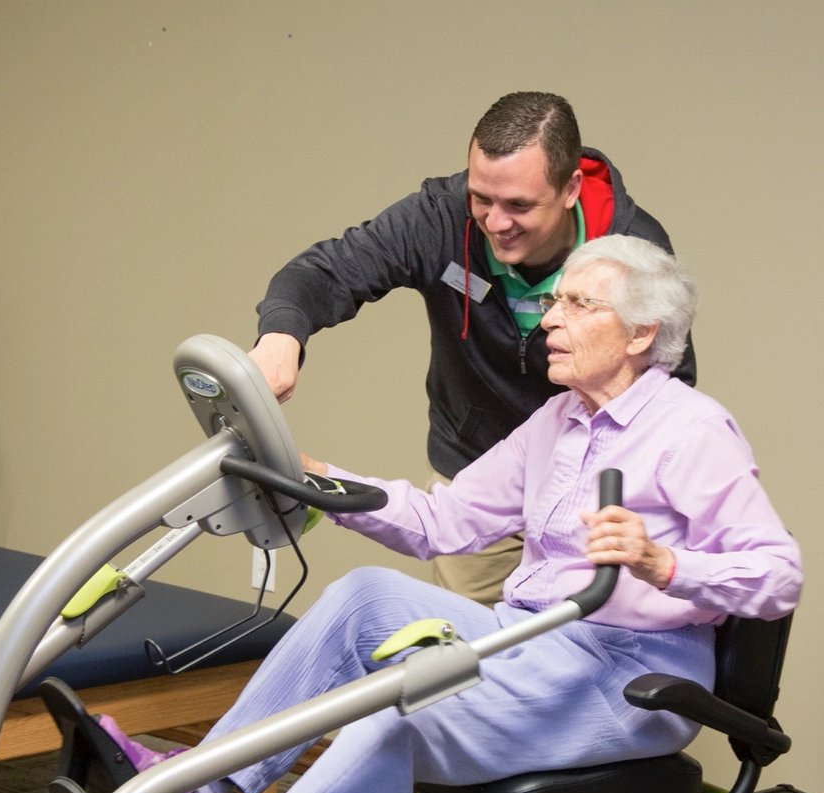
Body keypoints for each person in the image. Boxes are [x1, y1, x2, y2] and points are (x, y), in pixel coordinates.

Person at [108, 236, 798, 793]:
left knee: (393, 715)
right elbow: (446, 520)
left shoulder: (691, 429)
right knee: (364, 595)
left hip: (626, 680)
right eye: (554, 299)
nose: (548, 319)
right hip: (531, 635)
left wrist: (665, 562)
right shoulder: (558, 421)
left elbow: (778, 573)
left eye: (576, 303)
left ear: (640, 333)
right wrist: (324, 482)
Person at [247, 91, 695, 606]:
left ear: (570, 187)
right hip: (476, 476)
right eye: (482, 198)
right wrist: (281, 337)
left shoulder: (631, 248)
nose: (496, 222)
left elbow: (668, 387)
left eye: (520, 205)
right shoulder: (439, 218)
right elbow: (323, 272)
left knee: (571, 661)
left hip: (588, 496)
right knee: (464, 662)